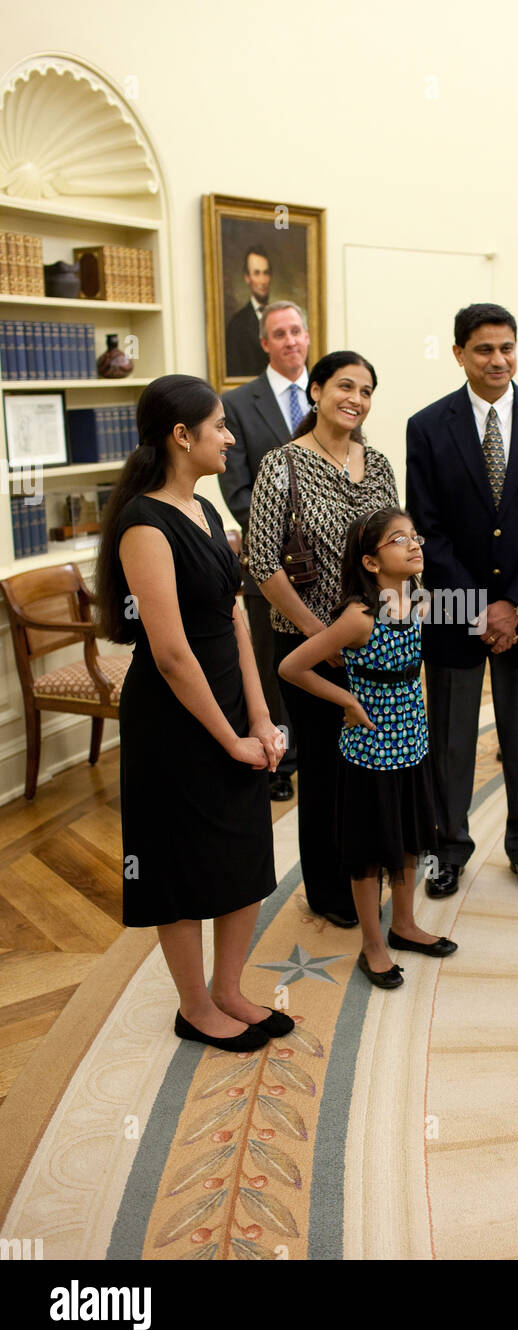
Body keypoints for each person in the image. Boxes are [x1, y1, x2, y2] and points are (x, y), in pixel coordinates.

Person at [94, 374, 293, 1052]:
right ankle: (195, 1006)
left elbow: (235, 619)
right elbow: (172, 653)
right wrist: (228, 739)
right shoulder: (143, 524)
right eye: (220, 426)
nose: (232, 437)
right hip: (175, 725)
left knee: (244, 852)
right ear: (183, 436)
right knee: (178, 866)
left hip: (232, 706)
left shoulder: (208, 513)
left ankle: (230, 988)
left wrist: (260, 720)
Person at [406, 303, 518, 900]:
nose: (498, 360)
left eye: (506, 348)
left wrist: (516, 605)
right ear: (459, 354)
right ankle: (447, 849)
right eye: (484, 349)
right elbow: (427, 528)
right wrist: (480, 606)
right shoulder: (426, 427)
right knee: (450, 737)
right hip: (455, 611)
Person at [247, 350, 399, 927]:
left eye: (365, 390)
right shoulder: (281, 465)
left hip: (372, 640)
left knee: (371, 766)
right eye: (344, 386)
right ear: (315, 391)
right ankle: (330, 892)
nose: (355, 399)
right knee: (327, 771)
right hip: (306, 646)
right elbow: (263, 564)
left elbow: (393, 549)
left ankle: (368, 874)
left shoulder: (380, 465)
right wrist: (321, 633)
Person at [279, 508, 457, 988]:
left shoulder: (417, 602)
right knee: (370, 851)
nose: (414, 544)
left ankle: (404, 924)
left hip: (412, 744)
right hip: (371, 752)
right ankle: (373, 946)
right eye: (399, 539)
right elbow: (292, 668)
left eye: (415, 535)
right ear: (372, 563)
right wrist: (347, 701)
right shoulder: (357, 617)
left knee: (408, 840)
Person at [221, 301, 312, 800]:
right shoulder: (237, 403)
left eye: (297, 331)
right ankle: (281, 759)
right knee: (273, 663)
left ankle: (318, 743)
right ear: (265, 344)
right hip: (269, 563)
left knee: (320, 655)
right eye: (280, 334)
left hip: (327, 570)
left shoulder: (325, 394)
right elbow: (238, 491)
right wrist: (288, 539)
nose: (290, 341)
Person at [226, 246, 272, 377]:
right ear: (247, 278)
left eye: (266, 273)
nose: (262, 280)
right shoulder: (237, 324)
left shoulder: (281, 320)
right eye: (257, 273)